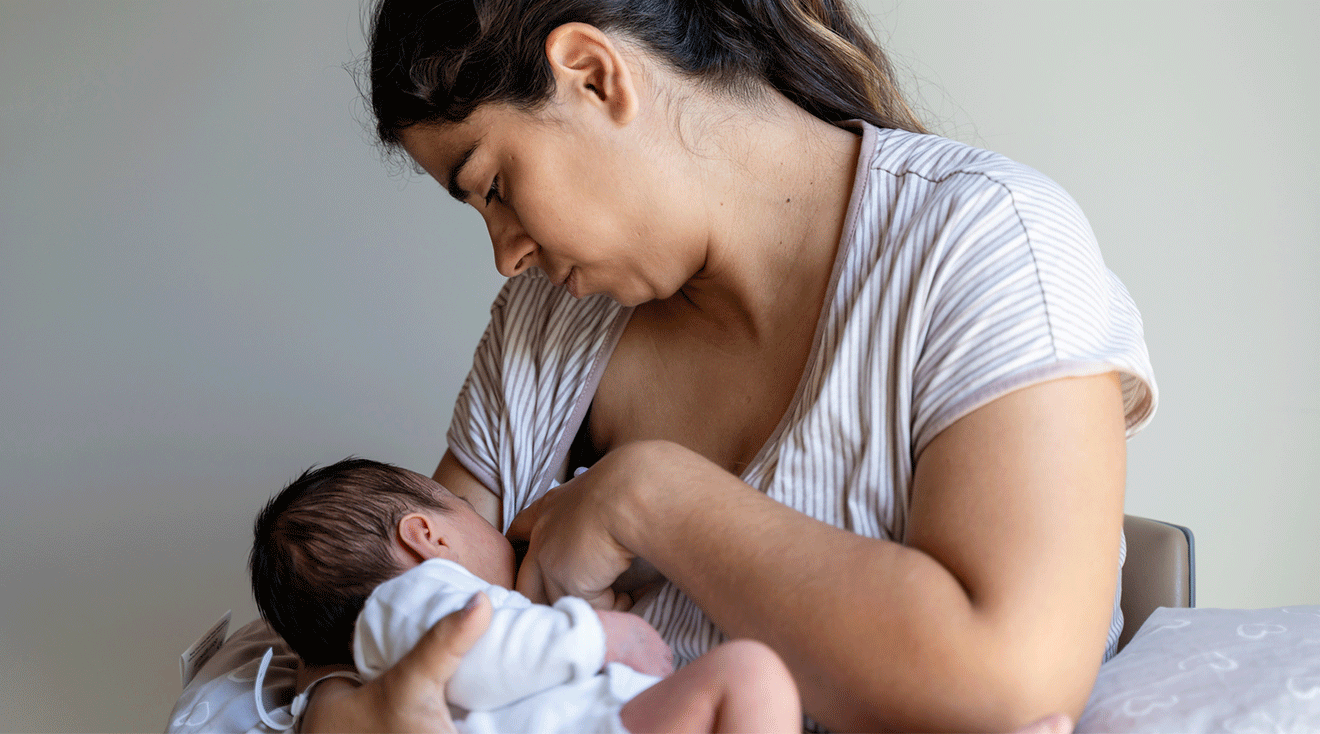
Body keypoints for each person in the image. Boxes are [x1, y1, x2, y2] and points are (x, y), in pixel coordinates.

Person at [285, 0, 1160, 731]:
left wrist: (646, 495)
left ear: (593, 73)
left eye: (496, 187)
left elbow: (1007, 682)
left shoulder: (985, 243)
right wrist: (339, 713)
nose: (506, 255)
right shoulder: (550, 323)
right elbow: (378, 601)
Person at [249, 458, 801, 733]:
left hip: (587, 717)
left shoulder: (378, 652)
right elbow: (479, 654)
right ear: (427, 536)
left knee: (744, 677)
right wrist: (599, 635)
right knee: (751, 675)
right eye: (463, 508)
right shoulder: (413, 602)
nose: (499, 526)